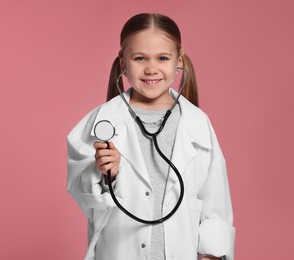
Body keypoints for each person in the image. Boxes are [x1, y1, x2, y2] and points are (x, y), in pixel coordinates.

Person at [67, 13, 235, 260]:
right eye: (140, 58)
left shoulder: (198, 123)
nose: (151, 68)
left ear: (179, 59)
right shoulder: (102, 121)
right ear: (123, 61)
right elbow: (86, 197)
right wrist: (106, 175)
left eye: (163, 58)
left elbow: (215, 202)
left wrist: (211, 255)